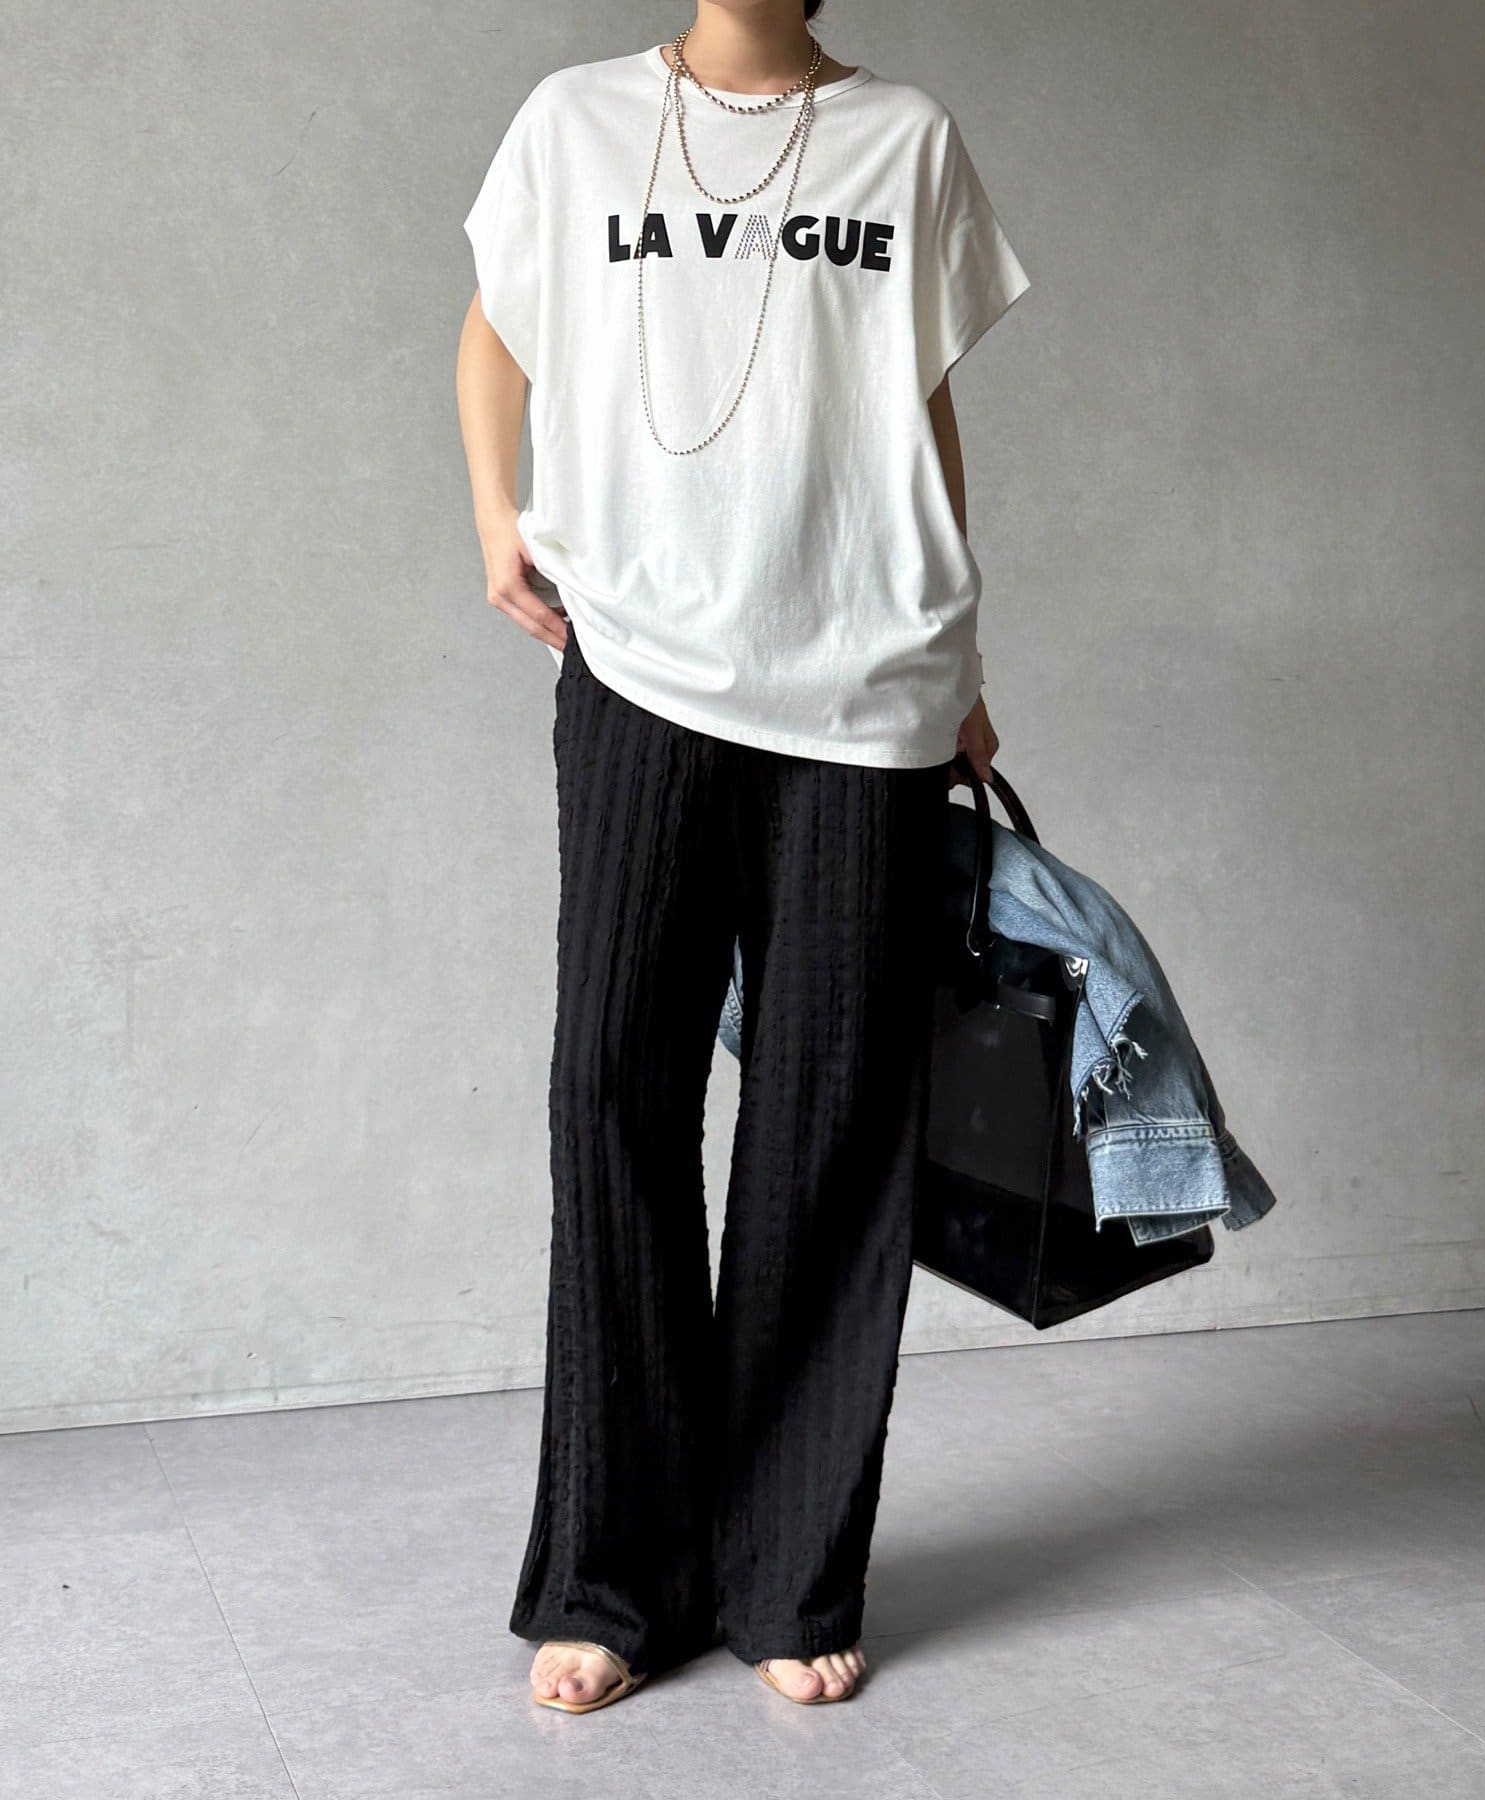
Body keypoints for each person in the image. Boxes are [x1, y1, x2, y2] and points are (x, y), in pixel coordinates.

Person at [454, 0, 1029, 1713]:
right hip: (637, 657)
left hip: (865, 681)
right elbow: (497, 327)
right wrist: (493, 513)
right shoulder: (573, 119)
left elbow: (915, 402)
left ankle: (786, 1567)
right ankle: (613, 1576)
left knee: (829, 1114)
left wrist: (958, 658)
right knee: (610, 1086)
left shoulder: (906, 139)